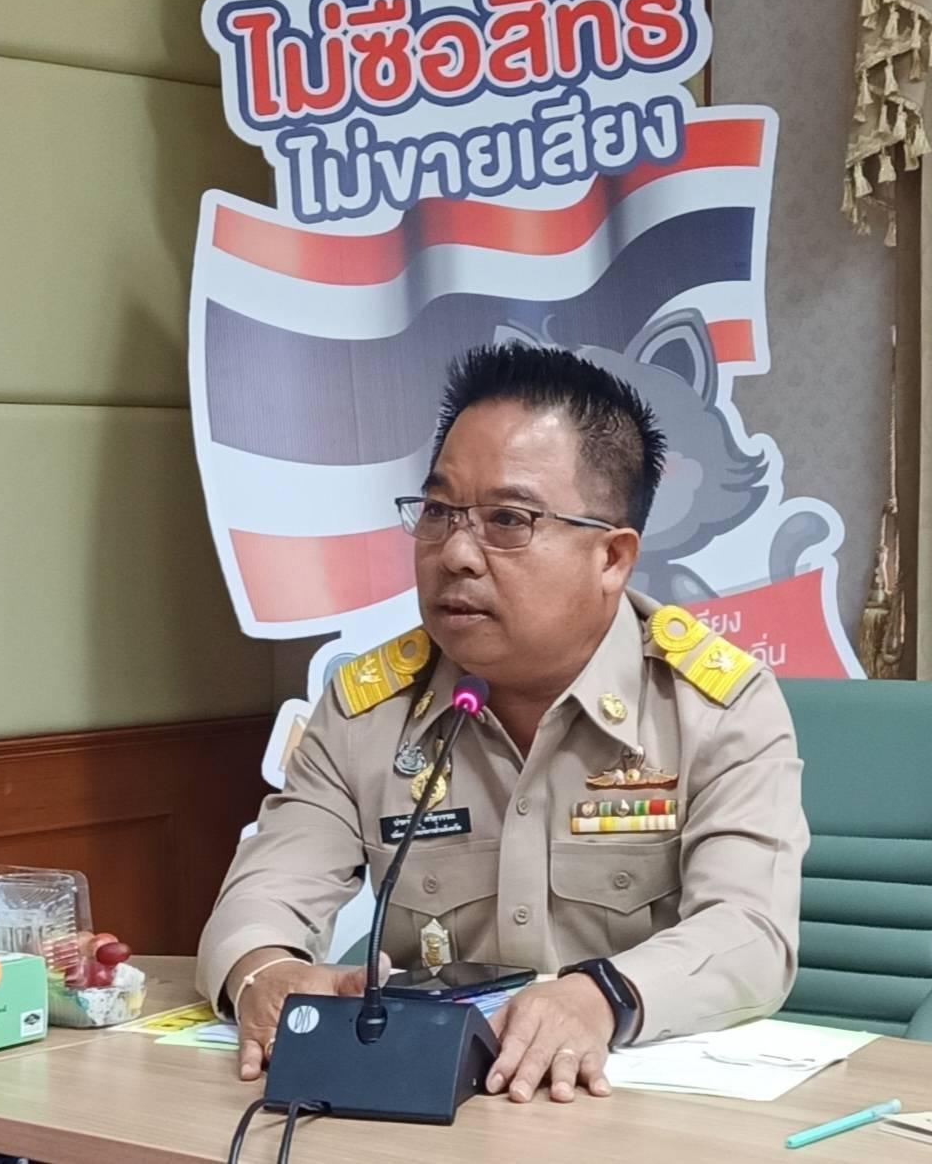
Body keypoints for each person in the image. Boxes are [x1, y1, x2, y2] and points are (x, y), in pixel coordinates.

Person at [197, 343, 809, 1104]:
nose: (455, 553)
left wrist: (602, 997)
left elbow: (751, 934)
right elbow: (264, 893)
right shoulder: (369, 709)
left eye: (508, 520)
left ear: (612, 557)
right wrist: (266, 972)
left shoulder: (714, 707)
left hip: (624, 1109)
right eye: (438, 512)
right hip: (424, 1103)